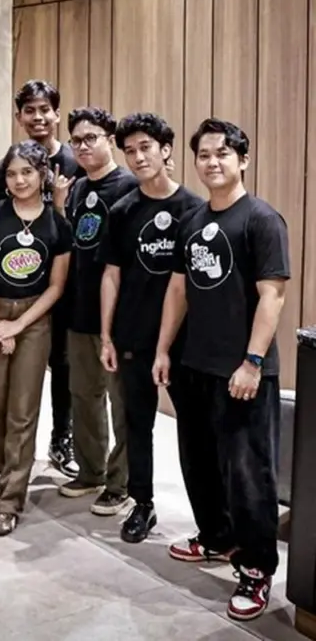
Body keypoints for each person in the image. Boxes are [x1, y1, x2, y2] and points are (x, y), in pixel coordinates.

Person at [153, 119, 289, 622]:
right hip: (195, 365)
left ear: (243, 160)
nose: (212, 162)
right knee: (200, 463)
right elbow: (177, 289)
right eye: (204, 155)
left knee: (248, 474)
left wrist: (252, 362)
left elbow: (272, 296)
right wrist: (163, 350)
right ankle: (215, 537)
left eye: (222, 154)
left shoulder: (262, 219)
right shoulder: (192, 220)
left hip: (243, 371)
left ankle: (256, 569)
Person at [99, 113, 204, 544]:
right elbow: (111, 275)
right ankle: (142, 503)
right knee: (137, 424)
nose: (138, 157)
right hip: (134, 336)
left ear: (166, 150)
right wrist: (107, 335)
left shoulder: (195, 209)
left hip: (187, 341)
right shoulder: (123, 211)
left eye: (146, 148)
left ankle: (210, 521)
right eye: (130, 151)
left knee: (194, 429)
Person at [0, 141, 72, 536]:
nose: (19, 180)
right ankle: (6, 478)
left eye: (27, 172)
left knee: (23, 411)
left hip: (34, 320)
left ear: (43, 174)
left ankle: (11, 499)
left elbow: (56, 286)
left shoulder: (57, 224)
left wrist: (18, 326)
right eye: (12, 173)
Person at [0, 80, 81, 478]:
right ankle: (4, 448)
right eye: (30, 110)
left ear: (57, 114)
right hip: (17, 287)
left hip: (62, 284)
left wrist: (58, 209)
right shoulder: (6, 165)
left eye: (45, 109)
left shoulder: (76, 162)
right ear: (19, 117)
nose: (38, 117)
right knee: (12, 375)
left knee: (63, 364)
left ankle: (62, 438)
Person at [56, 107, 137, 514]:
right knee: (84, 397)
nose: (83, 146)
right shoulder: (75, 188)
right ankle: (92, 472)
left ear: (110, 140)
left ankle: (121, 483)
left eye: (91, 138)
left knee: (122, 403)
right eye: (76, 140)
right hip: (79, 312)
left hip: (119, 319)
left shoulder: (130, 187)